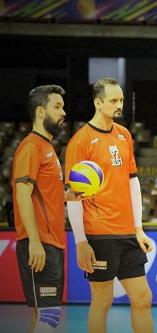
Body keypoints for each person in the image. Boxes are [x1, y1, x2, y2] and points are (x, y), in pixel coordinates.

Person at [65, 77, 154, 333]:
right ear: (98, 102)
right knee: (102, 301)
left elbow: (133, 183)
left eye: (122, 100)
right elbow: (74, 195)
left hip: (127, 233)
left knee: (143, 298)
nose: (119, 105)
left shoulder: (124, 134)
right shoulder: (80, 141)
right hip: (99, 233)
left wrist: (138, 228)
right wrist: (81, 241)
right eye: (114, 100)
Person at [12, 85, 81, 333]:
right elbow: (23, 194)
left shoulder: (48, 148)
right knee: (49, 317)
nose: (63, 112)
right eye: (57, 107)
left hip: (51, 242)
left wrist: (66, 196)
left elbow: (43, 194)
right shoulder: (32, 146)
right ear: (41, 112)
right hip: (40, 243)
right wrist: (34, 241)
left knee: (41, 315)